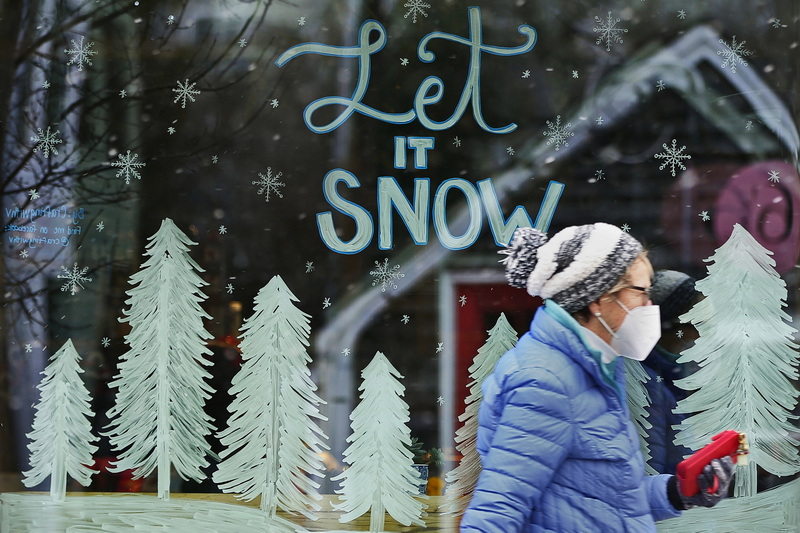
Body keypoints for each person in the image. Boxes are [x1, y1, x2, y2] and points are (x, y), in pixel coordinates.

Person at [460, 223, 734, 533]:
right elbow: (496, 511)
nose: (650, 306)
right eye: (641, 293)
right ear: (599, 299)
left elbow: (606, 500)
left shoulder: (594, 368)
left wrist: (679, 491)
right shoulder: (545, 381)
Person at [641, 270, 700, 474]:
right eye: (698, 321)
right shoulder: (649, 383)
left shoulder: (677, 371)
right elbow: (653, 468)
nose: (702, 332)